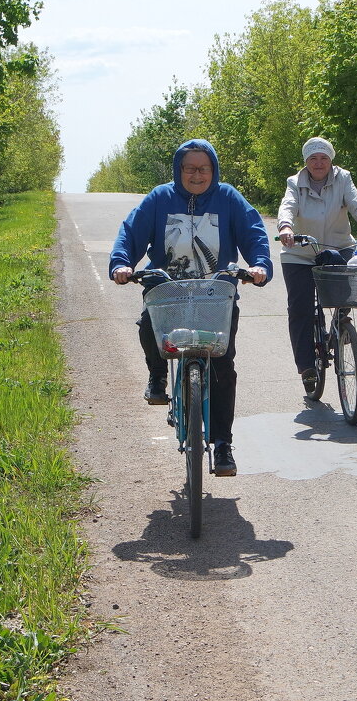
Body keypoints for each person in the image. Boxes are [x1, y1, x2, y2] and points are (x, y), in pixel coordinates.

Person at [110, 139, 271, 476]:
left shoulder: (228, 198)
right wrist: (122, 264)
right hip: (167, 290)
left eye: (204, 168)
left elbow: (254, 232)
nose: (197, 175)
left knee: (222, 367)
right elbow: (130, 233)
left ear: (213, 170)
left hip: (216, 295)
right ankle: (157, 377)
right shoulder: (159, 199)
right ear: (178, 170)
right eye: (190, 168)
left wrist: (259, 266)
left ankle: (223, 444)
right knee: (146, 327)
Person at [276, 137, 357, 395]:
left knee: (350, 284)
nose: (319, 163)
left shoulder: (343, 179)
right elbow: (288, 206)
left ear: (331, 160)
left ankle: (340, 324)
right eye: (313, 159)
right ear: (306, 162)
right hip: (301, 251)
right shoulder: (295, 182)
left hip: (338, 246)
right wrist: (285, 227)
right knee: (300, 307)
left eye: (324, 158)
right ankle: (306, 367)